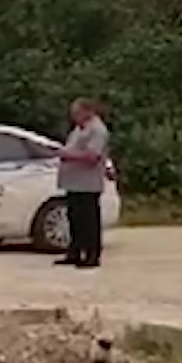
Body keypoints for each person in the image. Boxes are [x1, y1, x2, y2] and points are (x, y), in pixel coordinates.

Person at [55, 98, 110, 269]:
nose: (74, 116)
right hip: (74, 183)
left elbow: (93, 156)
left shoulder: (97, 130)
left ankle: (92, 255)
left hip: (88, 183)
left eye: (77, 113)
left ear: (88, 112)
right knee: (75, 219)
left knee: (89, 220)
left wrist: (67, 155)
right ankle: (75, 252)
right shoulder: (79, 129)